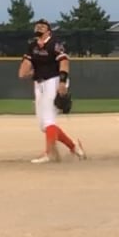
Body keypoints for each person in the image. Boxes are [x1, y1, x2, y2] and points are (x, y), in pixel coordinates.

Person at [18, 18, 85, 163]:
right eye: (37, 26)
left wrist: (62, 83)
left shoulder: (55, 44)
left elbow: (64, 62)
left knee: (49, 120)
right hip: (39, 83)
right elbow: (25, 68)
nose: (39, 28)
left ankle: (49, 153)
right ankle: (74, 147)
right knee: (44, 125)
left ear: (49, 31)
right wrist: (25, 70)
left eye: (42, 26)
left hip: (54, 81)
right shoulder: (32, 46)